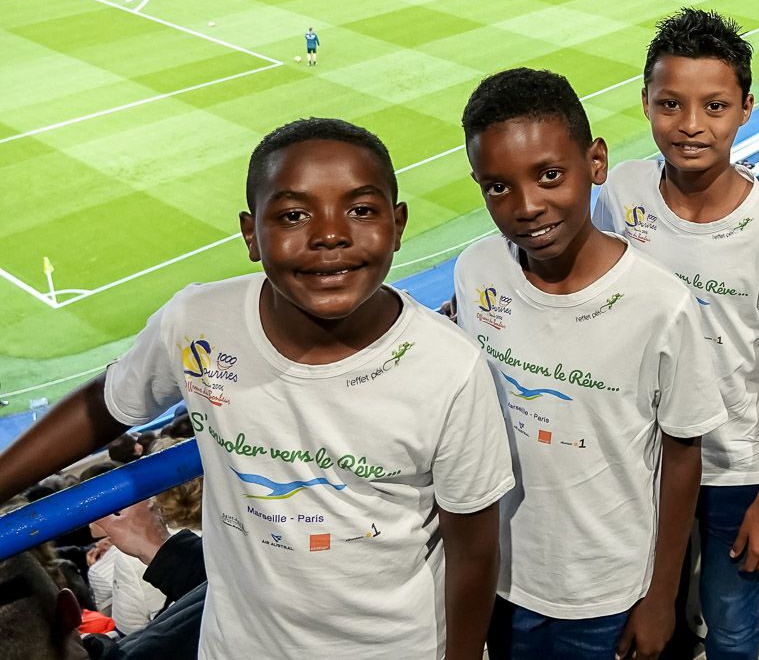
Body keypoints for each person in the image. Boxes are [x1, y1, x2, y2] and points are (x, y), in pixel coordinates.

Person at [0, 118, 515, 659]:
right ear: (251, 234)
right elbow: (107, 405)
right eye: (294, 215)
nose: (330, 235)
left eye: (361, 210)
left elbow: (474, 550)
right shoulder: (198, 322)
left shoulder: (450, 367)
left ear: (398, 222)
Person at [452, 69, 727, 660]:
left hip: (606, 589)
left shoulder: (661, 304)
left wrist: (661, 597)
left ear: (595, 161)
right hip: (499, 576)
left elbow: (682, 456)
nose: (526, 205)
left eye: (550, 175)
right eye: (496, 187)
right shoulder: (476, 270)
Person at [594, 11, 759, 659]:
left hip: (733, 465)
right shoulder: (623, 190)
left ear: (748, 107)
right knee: (649, 599)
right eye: (670, 103)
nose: (690, 123)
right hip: (643, 455)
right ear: (645, 103)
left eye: (715, 105)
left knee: (731, 616)